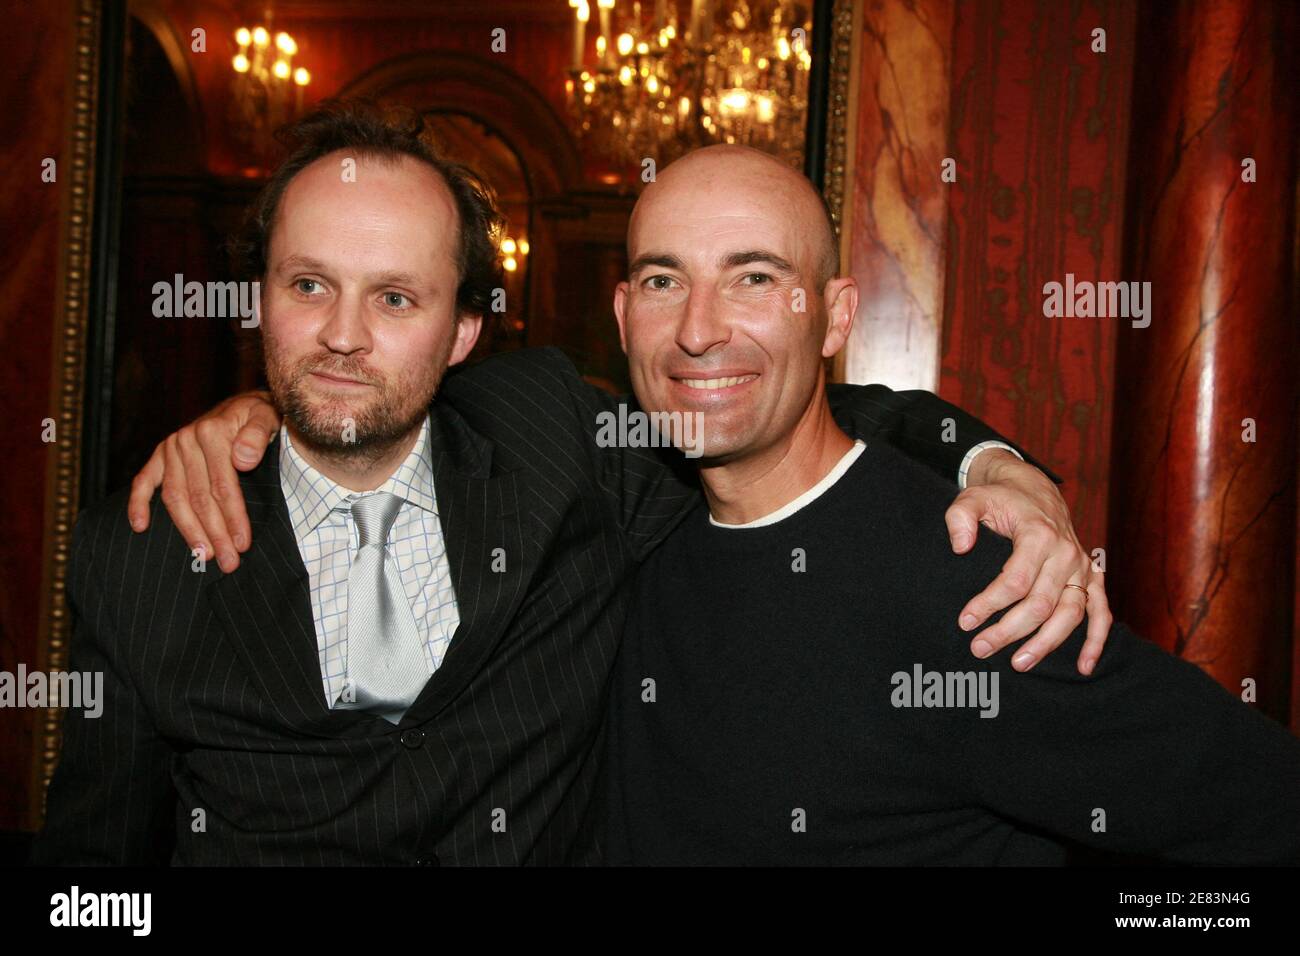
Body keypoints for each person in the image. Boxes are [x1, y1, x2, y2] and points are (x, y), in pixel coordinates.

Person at [35, 101, 1108, 866]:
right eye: (308, 285)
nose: (344, 336)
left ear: (463, 330)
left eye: (396, 298)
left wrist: (993, 463)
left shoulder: (556, 445)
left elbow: (771, 407)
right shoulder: (144, 551)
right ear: (259, 299)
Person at [594, 144, 1300, 865]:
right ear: (623, 317)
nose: (698, 329)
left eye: (754, 278)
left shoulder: (977, 584)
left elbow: (1266, 810)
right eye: (662, 279)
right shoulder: (625, 529)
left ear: (836, 319)